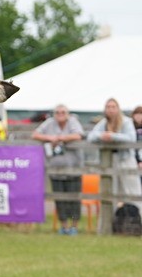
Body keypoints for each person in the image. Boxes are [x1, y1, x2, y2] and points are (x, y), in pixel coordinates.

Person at [32, 105, 85, 235]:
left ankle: (74, 227)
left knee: (73, 199)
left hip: (73, 168)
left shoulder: (73, 122)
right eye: (57, 112)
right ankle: (64, 227)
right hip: (55, 169)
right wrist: (50, 138)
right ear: (54, 114)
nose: (60, 114)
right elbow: (35, 134)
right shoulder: (49, 123)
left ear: (68, 113)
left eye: (63, 112)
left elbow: (78, 135)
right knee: (60, 200)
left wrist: (61, 138)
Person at [87, 98, 141, 212]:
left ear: (118, 108)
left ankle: (139, 221)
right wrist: (102, 135)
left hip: (126, 161)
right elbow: (90, 136)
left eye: (113, 107)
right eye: (108, 107)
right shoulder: (103, 123)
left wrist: (112, 136)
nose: (110, 110)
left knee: (133, 193)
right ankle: (113, 224)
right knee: (111, 193)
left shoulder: (126, 122)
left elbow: (131, 138)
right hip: (109, 163)